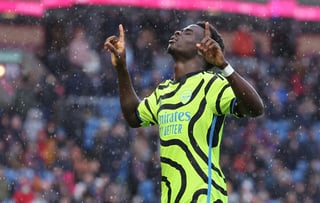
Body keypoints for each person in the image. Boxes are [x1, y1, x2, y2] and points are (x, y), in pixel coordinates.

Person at [104, 21, 264, 203]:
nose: (178, 32)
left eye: (187, 33)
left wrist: (224, 66)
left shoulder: (212, 83)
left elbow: (255, 108)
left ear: (201, 48)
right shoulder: (164, 91)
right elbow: (133, 116)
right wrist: (121, 67)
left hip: (205, 197)